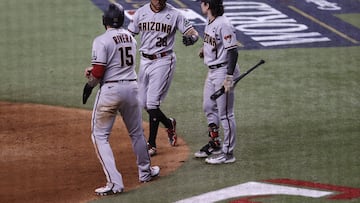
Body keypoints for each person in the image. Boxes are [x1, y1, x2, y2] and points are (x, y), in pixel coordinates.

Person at [82, 3, 160, 196]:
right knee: (136, 133)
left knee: (99, 136)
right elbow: (117, 62)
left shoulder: (101, 40)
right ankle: (145, 172)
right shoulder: (130, 39)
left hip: (111, 90)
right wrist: (96, 72)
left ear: (104, 21)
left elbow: (99, 72)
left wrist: (89, 85)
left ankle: (114, 182)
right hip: (133, 88)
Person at [127, 0, 199, 156]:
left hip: (164, 61)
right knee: (143, 102)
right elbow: (129, 35)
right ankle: (169, 123)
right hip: (145, 61)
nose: (159, 2)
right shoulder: (141, 13)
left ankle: (151, 145)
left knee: (152, 103)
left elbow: (193, 32)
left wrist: (192, 39)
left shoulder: (174, 14)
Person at [194, 0, 240, 164]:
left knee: (226, 114)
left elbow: (233, 52)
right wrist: (204, 50)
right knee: (208, 106)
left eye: (202, 2)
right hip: (212, 71)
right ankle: (215, 143)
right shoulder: (210, 19)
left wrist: (228, 77)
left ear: (208, 5)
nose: (200, 5)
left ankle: (228, 154)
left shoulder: (224, 24)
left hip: (223, 72)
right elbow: (212, 41)